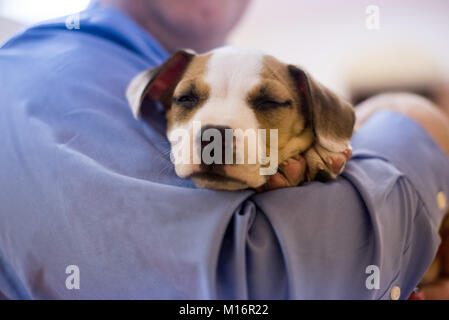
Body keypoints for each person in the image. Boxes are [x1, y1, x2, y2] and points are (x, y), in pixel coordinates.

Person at [0, 0, 448, 299]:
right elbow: (254, 286)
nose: (217, 132)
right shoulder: (51, 76)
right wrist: (412, 123)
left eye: (267, 101)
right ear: (159, 93)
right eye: (190, 99)